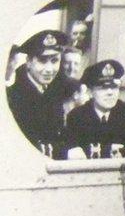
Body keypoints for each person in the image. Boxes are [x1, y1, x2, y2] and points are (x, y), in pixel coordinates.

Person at [6, 29, 77, 158]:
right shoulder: (13, 98)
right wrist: (65, 152)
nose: (49, 69)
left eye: (55, 61)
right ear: (28, 62)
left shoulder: (55, 93)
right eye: (42, 61)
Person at [63, 59, 125, 159]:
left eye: (114, 87)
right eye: (103, 88)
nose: (110, 92)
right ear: (90, 92)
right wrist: (108, 150)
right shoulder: (77, 117)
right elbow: (74, 153)